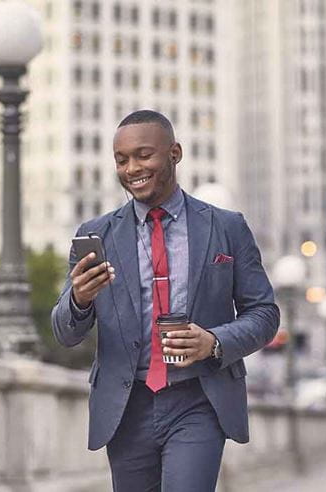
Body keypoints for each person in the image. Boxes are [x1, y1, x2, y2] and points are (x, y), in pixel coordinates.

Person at [51, 110, 279, 491]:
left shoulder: (226, 226)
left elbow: (265, 313)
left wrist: (215, 341)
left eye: (144, 155)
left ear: (174, 153)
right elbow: (64, 332)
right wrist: (79, 299)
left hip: (198, 398)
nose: (132, 168)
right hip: (126, 407)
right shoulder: (96, 234)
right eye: (121, 160)